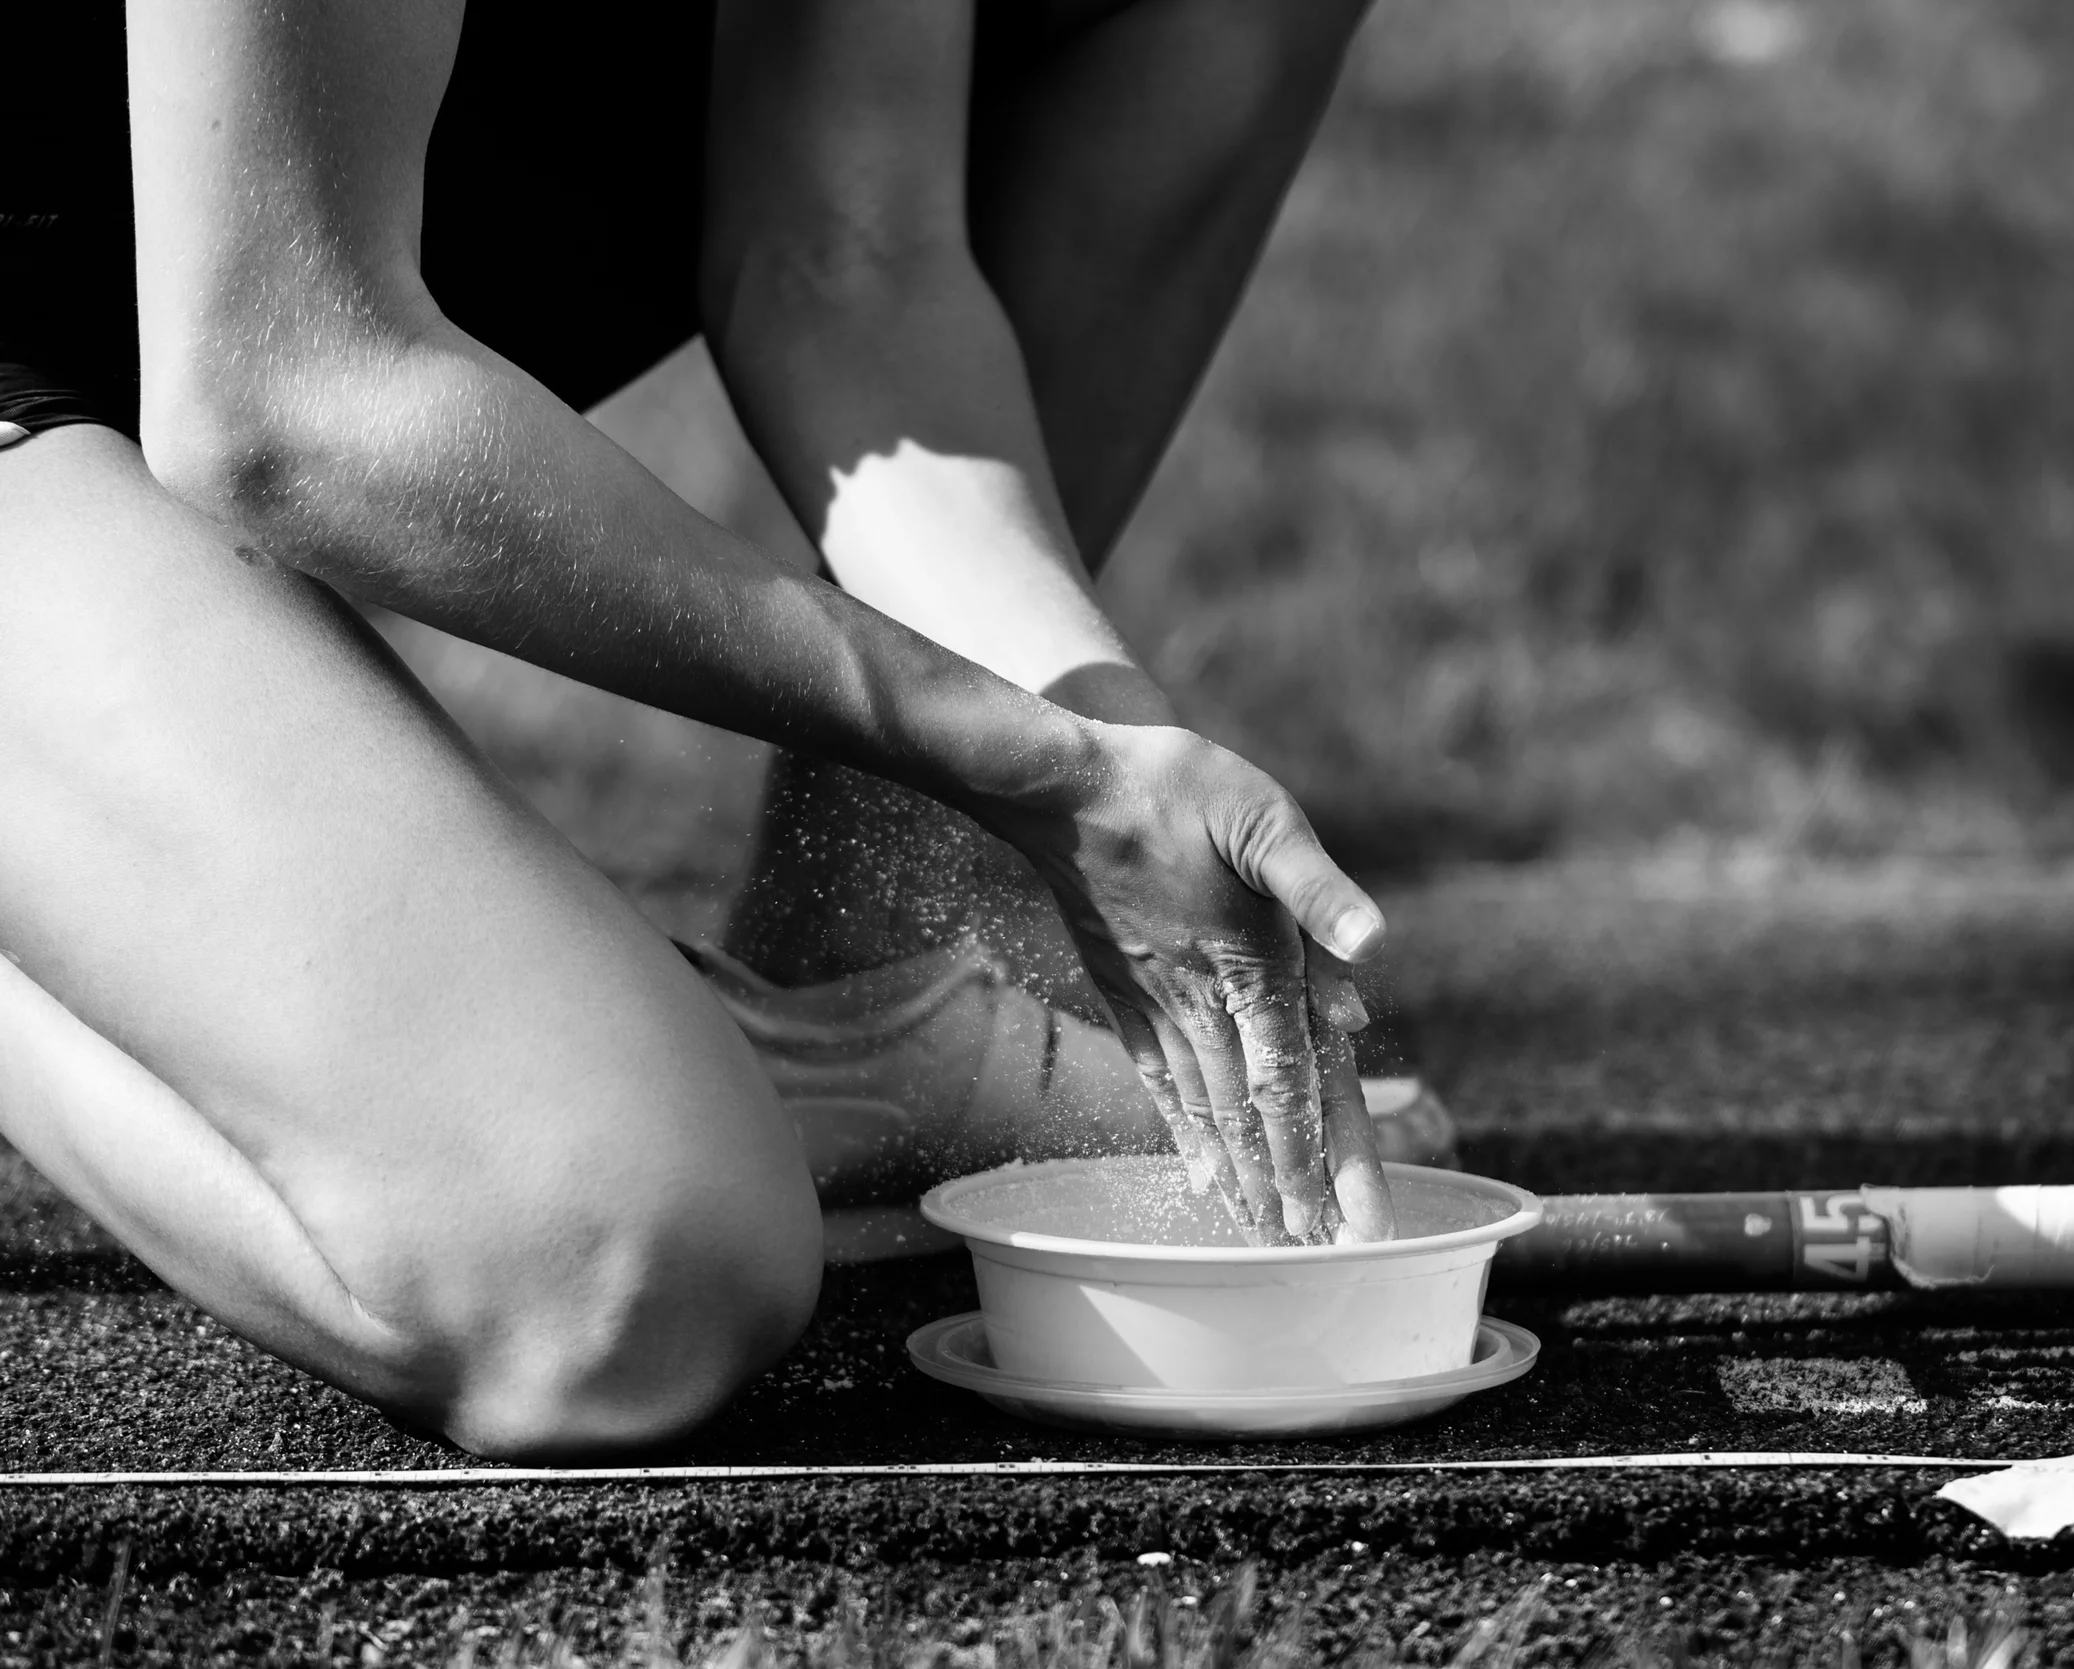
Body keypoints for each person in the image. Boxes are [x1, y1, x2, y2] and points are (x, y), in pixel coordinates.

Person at [0, 0, 1428, 1460]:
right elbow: (283, 395)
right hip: (187, 349)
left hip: (241, 276)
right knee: (608, 1284)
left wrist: (1111, 755)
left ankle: (864, 993)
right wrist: (1034, 766)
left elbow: (848, 267)